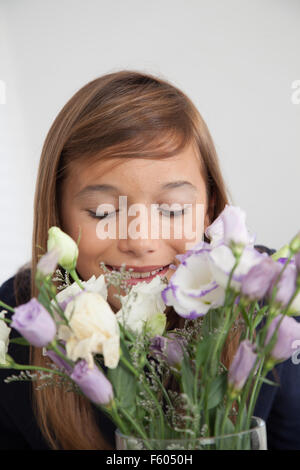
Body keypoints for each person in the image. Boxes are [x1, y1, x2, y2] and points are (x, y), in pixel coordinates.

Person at [0, 70, 299, 450]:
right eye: (103, 212)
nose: (140, 241)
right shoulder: (19, 321)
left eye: (173, 210)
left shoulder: (268, 294)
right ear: (58, 215)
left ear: (209, 210)